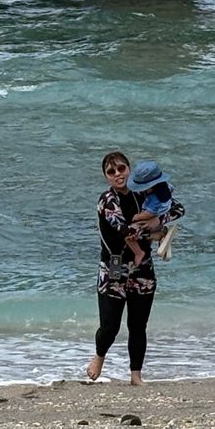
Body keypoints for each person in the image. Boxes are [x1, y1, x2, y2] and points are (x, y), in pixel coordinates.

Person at [86, 151, 184, 386]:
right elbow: (125, 231)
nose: (118, 174)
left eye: (121, 169)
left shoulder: (145, 193)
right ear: (106, 177)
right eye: (111, 172)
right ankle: (99, 356)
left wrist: (156, 221)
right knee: (110, 327)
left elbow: (178, 209)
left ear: (129, 169)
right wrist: (155, 230)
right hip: (113, 269)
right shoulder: (107, 201)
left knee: (138, 325)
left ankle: (136, 376)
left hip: (143, 269)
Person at [126, 159, 181, 262]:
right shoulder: (165, 189)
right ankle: (159, 234)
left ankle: (157, 235)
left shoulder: (155, 197)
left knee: (135, 229)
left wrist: (156, 220)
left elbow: (179, 209)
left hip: (143, 256)